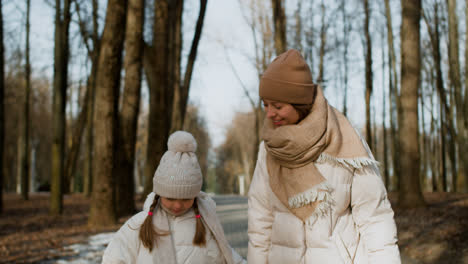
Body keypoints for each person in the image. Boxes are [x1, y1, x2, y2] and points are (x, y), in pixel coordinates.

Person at [247, 49, 401, 263]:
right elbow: (260, 220)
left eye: (278, 106)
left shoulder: (345, 140)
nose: (269, 113)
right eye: (265, 104)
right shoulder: (269, 148)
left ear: (299, 103)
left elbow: (374, 216)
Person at [103, 131, 246, 264]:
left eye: (185, 199)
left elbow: (229, 259)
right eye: (170, 199)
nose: (177, 205)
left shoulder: (207, 226)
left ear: (195, 196)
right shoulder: (137, 226)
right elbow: (114, 259)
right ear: (159, 194)